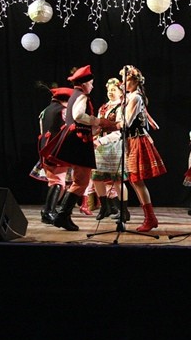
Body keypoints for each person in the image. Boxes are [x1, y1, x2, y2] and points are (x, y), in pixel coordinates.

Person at [51, 65, 116, 231]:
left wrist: (97, 128)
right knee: (81, 181)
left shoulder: (75, 95)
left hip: (78, 140)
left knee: (80, 181)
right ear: (84, 83)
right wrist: (98, 121)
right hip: (79, 142)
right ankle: (62, 216)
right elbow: (79, 116)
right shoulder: (81, 96)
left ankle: (63, 215)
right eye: (91, 83)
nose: (92, 86)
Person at [116, 65, 166, 232]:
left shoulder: (136, 98)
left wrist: (107, 124)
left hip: (136, 139)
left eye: (126, 80)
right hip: (130, 140)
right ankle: (150, 217)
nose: (122, 83)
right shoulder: (129, 97)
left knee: (137, 180)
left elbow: (126, 122)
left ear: (135, 81)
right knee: (134, 180)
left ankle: (150, 218)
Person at [91, 78, 129, 221]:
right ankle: (104, 207)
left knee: (117, 180)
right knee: (97, 178)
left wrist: (101, 140)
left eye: (113, 89)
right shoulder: (104, 107)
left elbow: (119, 132)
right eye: (109, 90)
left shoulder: (122, 107)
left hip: (114, 146)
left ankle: (124, 211)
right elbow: (98, 126)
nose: (110, 92)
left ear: (121, 92)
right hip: (100, 147)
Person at [35, 86, 73, 225]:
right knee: (58, 182)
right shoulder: (63, 111)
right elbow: (68, 130)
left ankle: (49, 210)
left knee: (55, 181)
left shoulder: (45, 111)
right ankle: (48, 212)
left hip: (45, 148)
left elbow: (42, 131)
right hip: (57, 149)